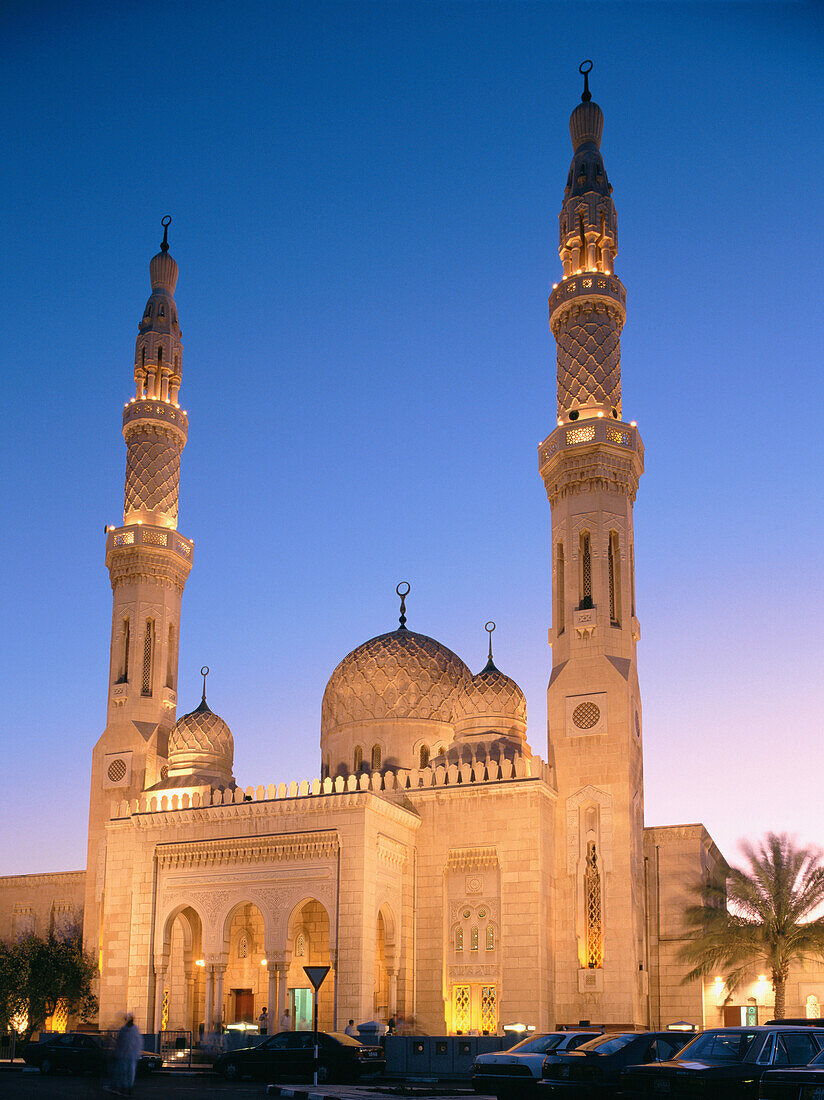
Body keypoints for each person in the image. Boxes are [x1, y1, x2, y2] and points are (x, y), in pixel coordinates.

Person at [108, 1014, 142, 1097]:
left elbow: (138, 1042)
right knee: (123, 1072)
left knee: (130, 1072)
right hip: (124, 1055)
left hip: (131, 1055)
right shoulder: (123, 1030)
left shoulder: (135, 1030)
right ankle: (123, 1087)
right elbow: (119, 1042)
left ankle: (128, 1087)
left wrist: (137, 1053)